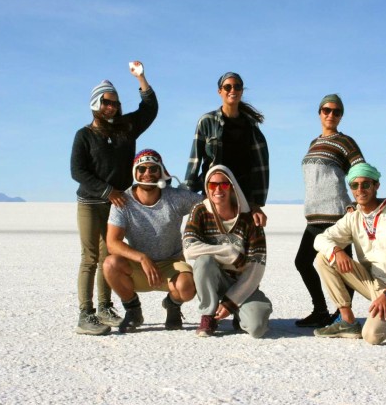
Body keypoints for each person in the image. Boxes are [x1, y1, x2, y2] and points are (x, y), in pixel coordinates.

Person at [70, 62, 157, 336]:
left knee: (110, 254)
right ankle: (86, 314)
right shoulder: (84, 135)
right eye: (107, 102)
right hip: (90, 203)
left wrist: (141, 78)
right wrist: (107, 191)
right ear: (96, 103)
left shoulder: (125, 128)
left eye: (116, 103)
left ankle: (105, 308)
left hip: (117, 205)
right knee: (90, 257)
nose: (113, 107)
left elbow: (149, 109)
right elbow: (77, 171)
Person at [313, 163, 386, 345]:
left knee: (372, 336)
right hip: (371, 282)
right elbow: (320, 239)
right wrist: (337, 250)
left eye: (366, 184)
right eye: (354, 185)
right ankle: (347, 321)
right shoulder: (353, 217)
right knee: (323, 257)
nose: (360, 190)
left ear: (376, 186)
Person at [104, 149, 202, 333]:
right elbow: (112, 242)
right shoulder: (123, 201)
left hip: (171, 264)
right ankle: (133, 311)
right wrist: (142, 258)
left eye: (153, 169)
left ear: (161, 171)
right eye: (142, 169)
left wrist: (250, 208)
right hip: (138, 266)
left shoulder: (175, 197)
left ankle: (172, 305)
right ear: (135, 172)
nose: (147, 174)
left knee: (187, 288)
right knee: (110, 264)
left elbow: (209, 203)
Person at [295, 94, 365, 328]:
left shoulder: (346, 142)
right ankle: (320, 310)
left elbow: (359, 172)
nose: (330, 115)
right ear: (319, 113)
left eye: (336, 112)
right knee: (303, 262)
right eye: (326, 110)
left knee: (342, 267)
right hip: (314, 216)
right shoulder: (314, 143)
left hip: (337, 215)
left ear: (341, 115)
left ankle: (343, 315)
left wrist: (356, 204)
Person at [183, 165, 272, 338]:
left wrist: (231, 302)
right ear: (207, 187)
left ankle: (240, 312)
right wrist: (229, 251)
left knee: (257, 328)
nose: (218, 189)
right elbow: (189, 248)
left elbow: (256, 268)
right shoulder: (200, 211)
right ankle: (209, 315)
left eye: (224, 185)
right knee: (204, 262)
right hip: (214, 279)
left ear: (232, 187)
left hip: (242, 282)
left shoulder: (250, 219)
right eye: (212, 185)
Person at [182, 72, 269, 227]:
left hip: (243, 195)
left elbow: (260, 167)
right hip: (215, 193)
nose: (232, 90)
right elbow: (195, 160)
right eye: (227, 87)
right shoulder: (207, 122)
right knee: (213, 240)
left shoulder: (251, 126)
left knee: (242, 243)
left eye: (237, 87)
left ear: (242, 91)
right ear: (220, 91)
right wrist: (188, 195)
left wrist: (257, 204)